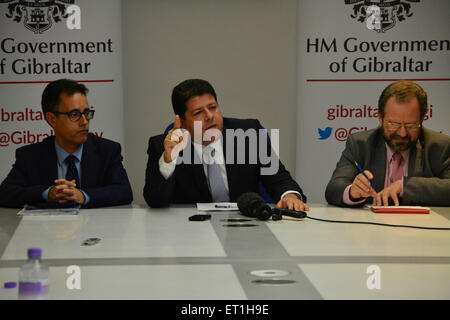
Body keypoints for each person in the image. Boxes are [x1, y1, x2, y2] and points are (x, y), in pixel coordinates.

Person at [144, 78, 308, 210]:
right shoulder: (163, 146)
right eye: (198, 112)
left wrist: (290, 196)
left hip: (247, 229)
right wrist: (169, 159)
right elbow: (155, 200)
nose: (209, 116)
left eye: (213, 107)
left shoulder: (249, 134)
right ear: (182, 121)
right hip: (191, 234)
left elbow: (279, 178)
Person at [0, 79, 133, 208]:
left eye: (87, 113)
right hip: (47, 229)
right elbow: (5, 193)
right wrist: (48, 193)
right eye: (74, 114)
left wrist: (84, 196)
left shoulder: (107, 151)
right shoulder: (30, 156)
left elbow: (124, 191)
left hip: (96, 229)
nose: (84, 122)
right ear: (52, 119)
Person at [325, 80, 450, 207]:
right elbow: (334, 188)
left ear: (422, 120)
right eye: (394, 124)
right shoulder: (360, 144)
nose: (402, 133)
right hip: (370, 225)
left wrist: (404, 186)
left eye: (410, 125)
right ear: (380, 118)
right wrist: (352, 192)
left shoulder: (440, 146)